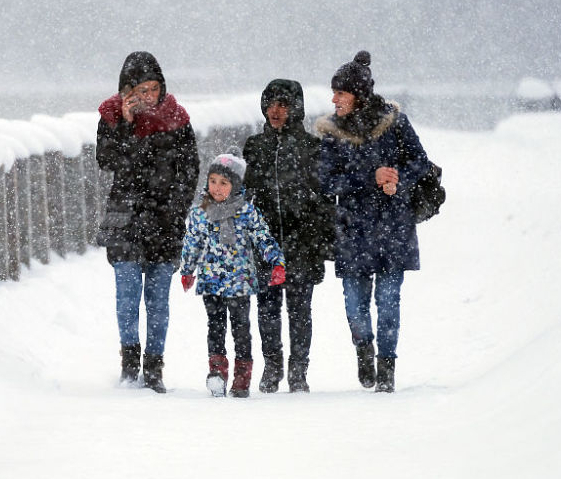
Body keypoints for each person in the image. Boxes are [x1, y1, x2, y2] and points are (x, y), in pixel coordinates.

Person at [315, 51, 432, 392]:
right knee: (355, 304)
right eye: (334, 92)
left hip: (394, 226)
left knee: (389, 300)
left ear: (359, 95)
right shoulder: (332, 132)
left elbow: (420, 162)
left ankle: (388, 367)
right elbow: (325, 181)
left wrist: (398, 179)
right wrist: (371, 176)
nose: (334, 99)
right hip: (353, 229)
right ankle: (364, 350)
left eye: (341, 92)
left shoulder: (394, 122)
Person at [95, 51, 200, 393]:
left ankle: (154, 366)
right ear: (126, 91)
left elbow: (189, 169)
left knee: (157, 299)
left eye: (152, 88)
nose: (147, 96)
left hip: (165, 218)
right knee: (127, 296)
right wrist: (126, 124)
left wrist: (176, 208)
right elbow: (108, 160)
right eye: (139, 90)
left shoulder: (177, 118)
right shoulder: (111, 117)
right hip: (124, 215)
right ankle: (129, 363)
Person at [243, 79, 334, 393]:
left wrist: (321, 240)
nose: (275, 111)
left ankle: (298, 371)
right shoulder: (255, 146)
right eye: (270, 104)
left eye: (282, 104)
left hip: (302, 241)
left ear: (296, 108)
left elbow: (325, 199)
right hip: (266, 243)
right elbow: (246, 195)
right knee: (267, 308)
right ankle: (272, 367)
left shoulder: (312, 147)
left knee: (300, 310)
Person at [179, 154, 286, 398]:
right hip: (211, 281)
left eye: (224, 183)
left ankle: (242, 374)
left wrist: (276, 262)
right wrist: (187, 269)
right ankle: (217, 373)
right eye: (213, 181)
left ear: (235, 186)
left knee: (240, 328)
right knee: (215, 327)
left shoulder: (246, 211)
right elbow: (192, 243)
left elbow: (263, 237)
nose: (217, 187)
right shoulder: (201, 211)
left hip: (240, 281)